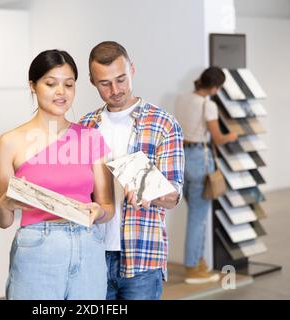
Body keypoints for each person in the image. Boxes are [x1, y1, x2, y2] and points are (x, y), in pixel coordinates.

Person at [0, 49, 114, 300]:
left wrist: (98, 211)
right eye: (51, 84)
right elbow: (2, 220)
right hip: (37, 249)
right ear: (33, 86)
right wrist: (6, 203)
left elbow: (107, 207)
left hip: (88, 246)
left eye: (69, 85)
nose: (61, 92)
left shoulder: (91, 138)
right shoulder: (9, 142)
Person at [79, 41, 184, 300]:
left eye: (121, 79)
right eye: (105, 83)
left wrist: (148, 189)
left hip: (142, 258)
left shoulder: (163, 124)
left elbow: (173, 197)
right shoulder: (84, 126)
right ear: (92, 81)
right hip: (92, 254)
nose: (115, 90)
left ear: (132, 70)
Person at [174, 66, 238, 284]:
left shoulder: (182, 99)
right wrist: (232, 135)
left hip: (181, 158)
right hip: (200, 160)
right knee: (198, 218)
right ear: (214, 87)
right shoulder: (207, 105)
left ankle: (199, 262)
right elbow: (218, 138)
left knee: (195, 213)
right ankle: (192, 268)